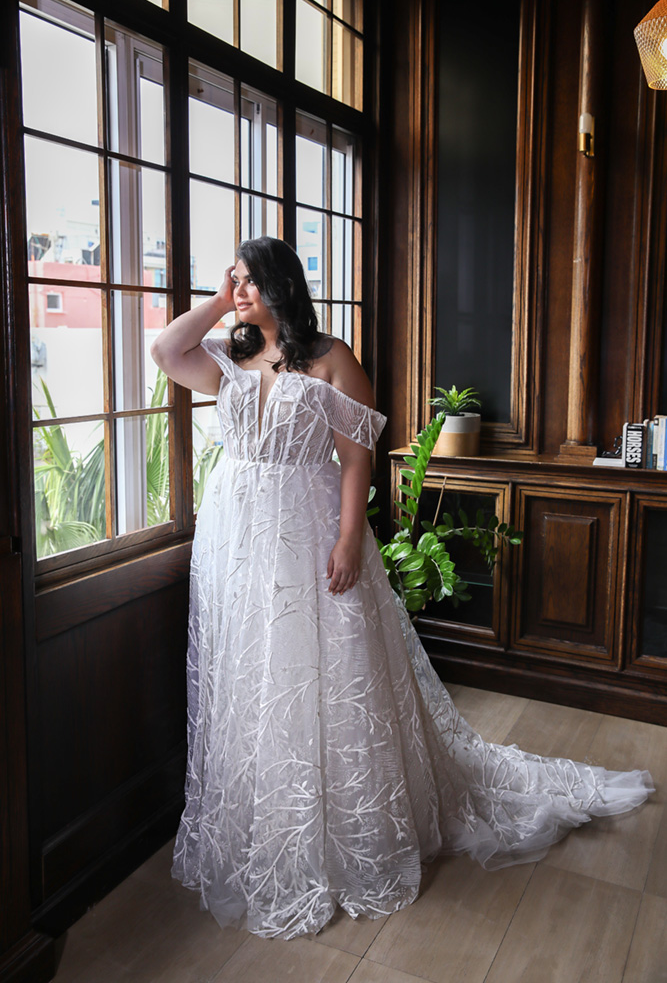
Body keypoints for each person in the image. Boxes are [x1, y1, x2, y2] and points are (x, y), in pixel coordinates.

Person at [151, 236, 653, 942]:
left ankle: (350, 825)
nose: (237, 293)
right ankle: (275, 823)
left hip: (309, 522)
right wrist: (218, 297)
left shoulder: (331, 356)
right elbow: (165, 353)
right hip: (236, 537)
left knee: (323, 666)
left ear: (281, 284)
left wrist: (350, 538)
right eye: (232, 281)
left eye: (248, 281)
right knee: (255, 669)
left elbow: (357, 462)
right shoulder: (230, 353)